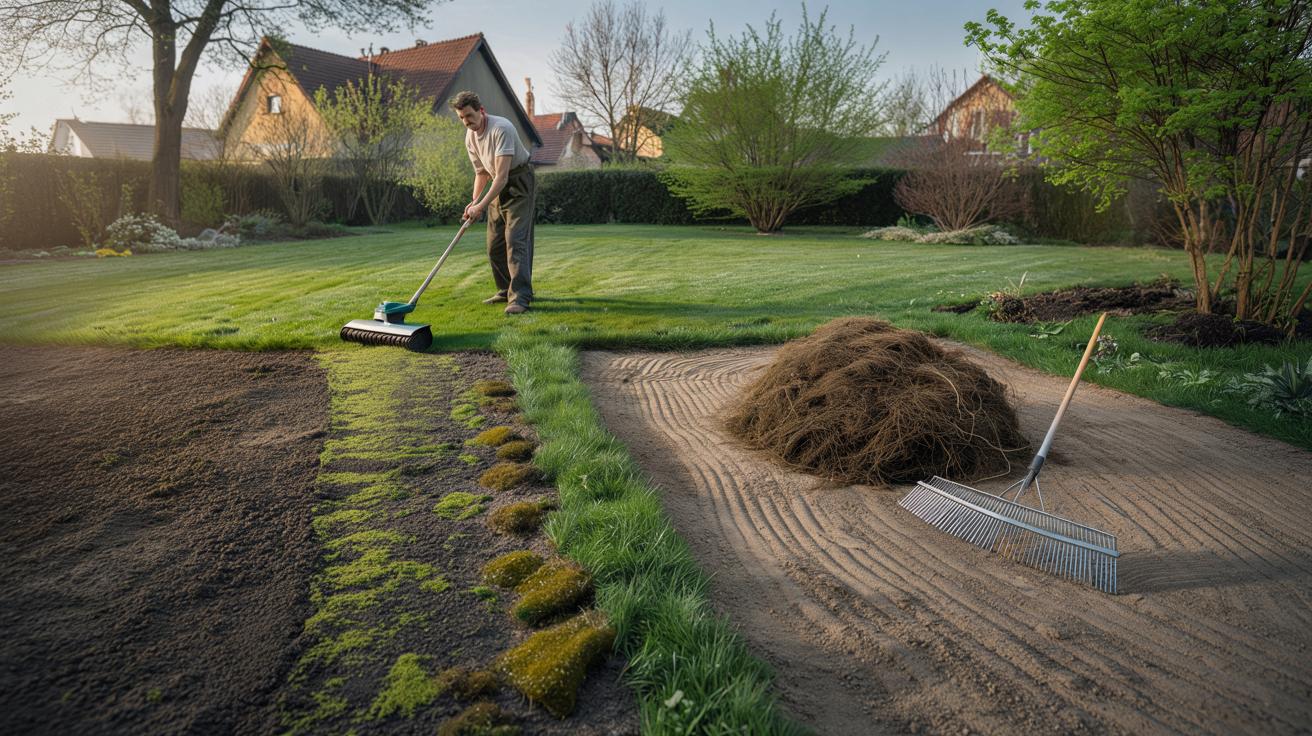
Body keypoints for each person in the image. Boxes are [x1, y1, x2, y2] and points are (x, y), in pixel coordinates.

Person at [451, 90, 536, 315]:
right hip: (497, 184)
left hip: (519, 182)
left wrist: (481, 206)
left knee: (515, 240)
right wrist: (474, 202)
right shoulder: (470, 137)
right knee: (494, 244)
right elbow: (481, 173)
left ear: (481, 110)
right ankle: (503, 290)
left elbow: (501, 177)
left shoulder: (502, 129)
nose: (466, 122)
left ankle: (520, 297)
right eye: (461, 118)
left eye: (469, 116)